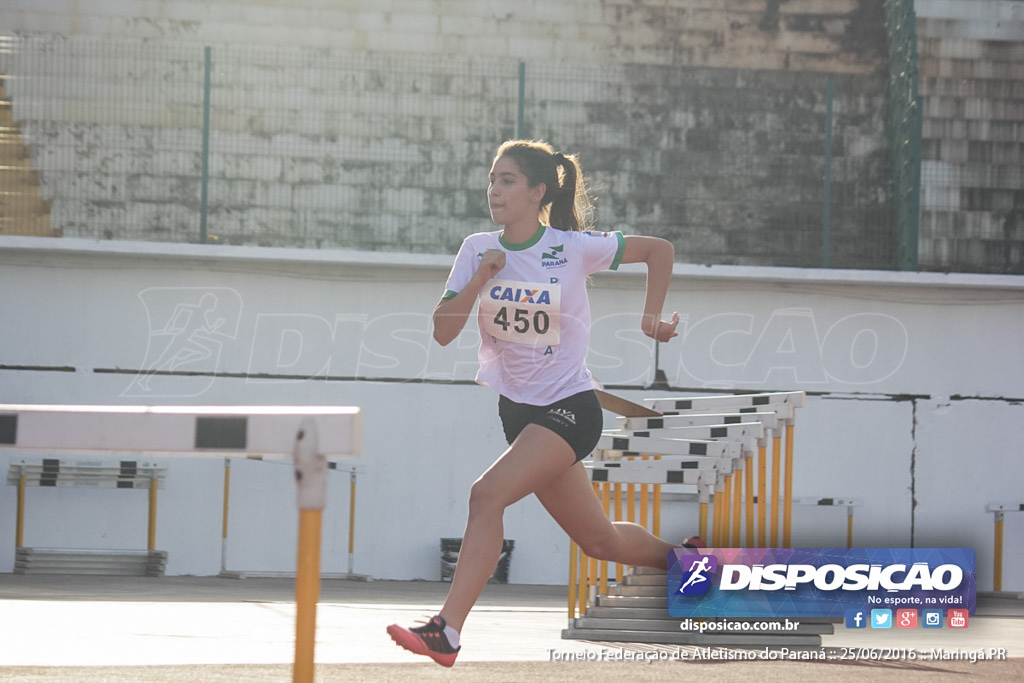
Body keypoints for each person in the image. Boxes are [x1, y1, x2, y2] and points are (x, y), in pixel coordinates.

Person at [387, 139, 697, 667]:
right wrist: (483, 277)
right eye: (491, 180)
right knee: (599, 541)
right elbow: (442, 333)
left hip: (572, 407)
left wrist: (651, 318)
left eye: (506, 180)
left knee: (486, 496)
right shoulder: (477, 249)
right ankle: (692, 565)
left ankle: (448, 630)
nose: (494, 190)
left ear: (537, 192)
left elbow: (658, 250)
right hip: (518, 413)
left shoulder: (573, 246)